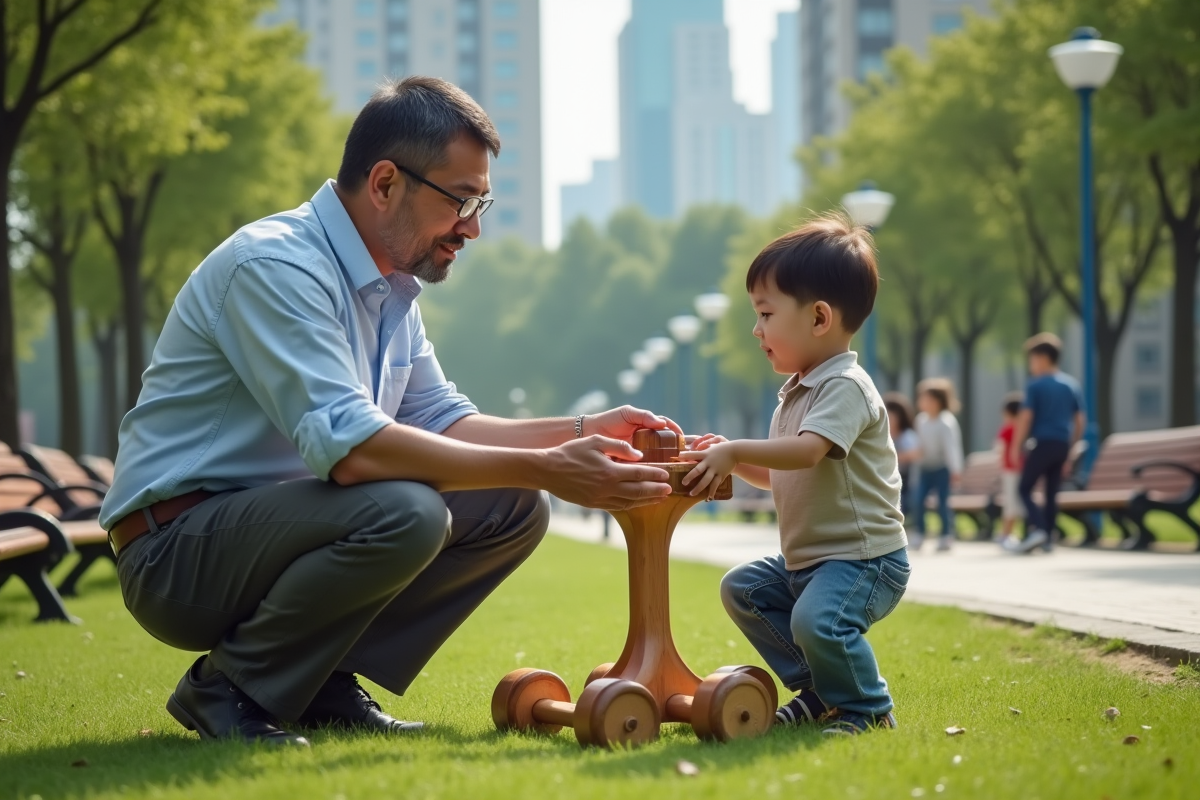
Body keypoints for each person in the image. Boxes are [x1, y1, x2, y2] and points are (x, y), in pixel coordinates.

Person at [98, 77, 679, 747]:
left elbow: (445, 422)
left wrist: (584, 431)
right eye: (461, 199)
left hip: (275, 529)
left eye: (481, 201)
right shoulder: (276, 266)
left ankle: (320, 681)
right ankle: (228, 687)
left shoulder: (390, 288)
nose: (474, 227)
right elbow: (354, 452)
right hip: (176, 552)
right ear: (383, 184)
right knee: (406, 511)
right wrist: (550, 465)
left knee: (513, 502)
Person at [677, 213, 909, 736]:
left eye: (764, 313)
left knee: (816, 622)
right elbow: (782, 473)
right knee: (745, 589)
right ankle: (823, 692)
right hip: (810, 561)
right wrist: (732, 459)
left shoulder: (845, 386)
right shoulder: (799, 392)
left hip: (864, 559)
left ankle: (868, 708)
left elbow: (805, 454)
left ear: (819, 318)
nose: (755, 329)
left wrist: (736, 449)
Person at [1004, 333, 1085, 554]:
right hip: (1061, 444)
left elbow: (1026, 417)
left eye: (1032, 359)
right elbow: (1079, 420)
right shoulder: (1070, 385)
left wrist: (1016, 446)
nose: (1031, 365)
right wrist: (1072, 445)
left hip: (1042, 442)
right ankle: (1048, 537)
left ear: (1042, 358)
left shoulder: (1035, 385)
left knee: (1024, 487)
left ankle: (1038, 528)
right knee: (1051, 492)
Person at [910, 378, 964, 552]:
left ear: (938, 401)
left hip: (942, 468)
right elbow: (919, 446)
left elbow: (952, 448)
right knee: (918, 500)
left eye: (926, 398)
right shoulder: (921, 420)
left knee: (942, 502)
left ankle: (946, 536)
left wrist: (955, 470)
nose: (922, 402)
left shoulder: (946, 422)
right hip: (926, 468)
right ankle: (920, 533)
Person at [883, 393, 920, 531]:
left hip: (906, 481)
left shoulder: (907, 436)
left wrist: (893, 456)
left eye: (890, 417)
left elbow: (915, 453)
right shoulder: (883, 436)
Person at [994, 393, 1026, 549]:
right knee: (1014, 504)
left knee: (1011, 504)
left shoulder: (1007, 429)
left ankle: (1005, 534)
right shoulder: (1024, 429)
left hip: (1009, 471)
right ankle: (1007, 534)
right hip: (1020, 471)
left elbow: (999, 448)